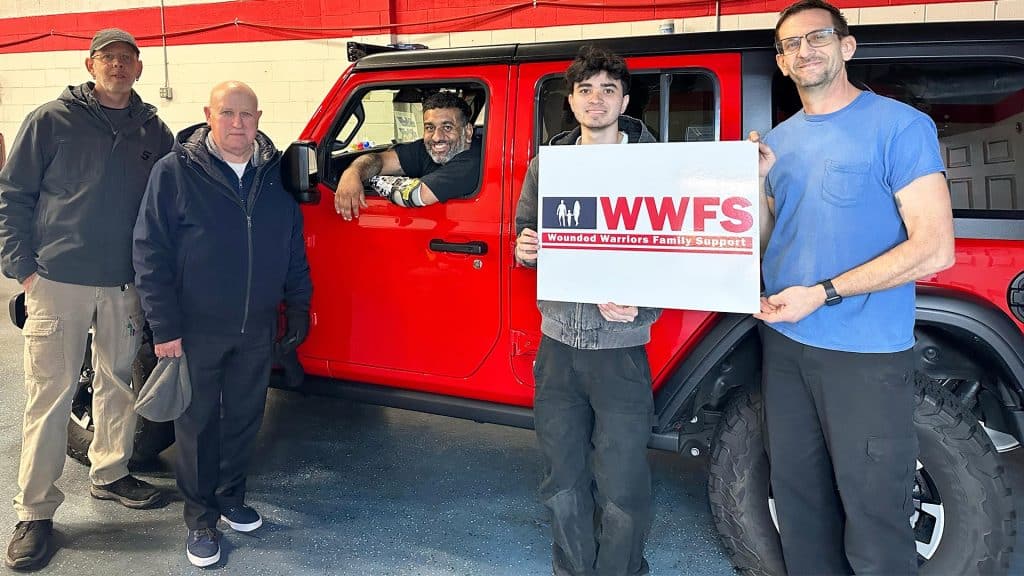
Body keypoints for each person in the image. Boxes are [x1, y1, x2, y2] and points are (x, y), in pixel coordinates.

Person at [752, 1, 955, 574]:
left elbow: (934, 247)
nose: (804, 50)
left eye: (817, 37)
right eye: (791, 45)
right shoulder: (779, 142)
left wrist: (824, 292)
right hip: (786, 345)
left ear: (847, 46)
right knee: (799, 506)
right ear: (782, 63)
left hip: (864, 356)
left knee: (875, 517)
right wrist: (757, 184)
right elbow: (774, 240)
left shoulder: (900, 126)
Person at [0, 28, 173, 571]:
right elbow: (12, 195)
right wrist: (23, 269)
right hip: (59, 280)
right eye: (109, 58)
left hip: (125, 284)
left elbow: (168, 201)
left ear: (140, 69)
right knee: (50, 395)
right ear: (90, 64)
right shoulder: (50, 120)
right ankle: (35, 510)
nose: (118, 66)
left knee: (118, 383)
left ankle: (111, 471)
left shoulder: (153, 129)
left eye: (128, 59)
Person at [132, 81, 312, 567]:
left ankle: (232, 498)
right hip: (195, 328)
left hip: (255, 327)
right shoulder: (174, 172)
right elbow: (151, 252)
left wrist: (298, 306)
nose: (237, 123)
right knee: (197, 424)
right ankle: (201, 519)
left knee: (245, 418)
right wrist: (164, 326)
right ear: (208, 115)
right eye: (227, 113)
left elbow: (293, 245)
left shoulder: (275, 174)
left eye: (246, 114)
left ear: (259, 117)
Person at [514, 47, 661, 576]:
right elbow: (525, 231)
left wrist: (643, 300)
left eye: (607, 90)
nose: (595, 99)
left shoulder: (656, 167)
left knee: (622, 479)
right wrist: (524, 247)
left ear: (623, 100)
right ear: (571, 101)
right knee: (562, 477)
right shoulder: (547, 166)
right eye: (585, 90)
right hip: (557, 346)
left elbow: (681, 252)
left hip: (619, 348)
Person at [334, 91, 481, 218]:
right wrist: (353, 173)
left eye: (447, 127)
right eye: (430, 127)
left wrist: (371, 180)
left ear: (468, 132)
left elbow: (416, 195)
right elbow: (380, 160)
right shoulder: (427, 148)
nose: (436, 137)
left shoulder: (474, 161)